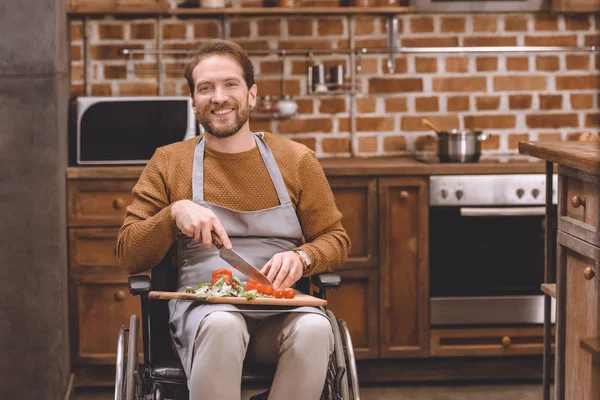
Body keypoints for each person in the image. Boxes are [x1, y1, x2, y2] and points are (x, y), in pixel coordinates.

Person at [116, 39, 351, 400]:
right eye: (206, 88)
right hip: (204, 318)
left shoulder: (297, 160)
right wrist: (173, 213)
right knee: (225, 324)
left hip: (280, 314)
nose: (219, 97)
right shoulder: (168, 162)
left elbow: (335, 238)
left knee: (317, 330)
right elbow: (129, 255)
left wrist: (304, 257)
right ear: (194, 101)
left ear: (252, 94)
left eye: (230, 84)